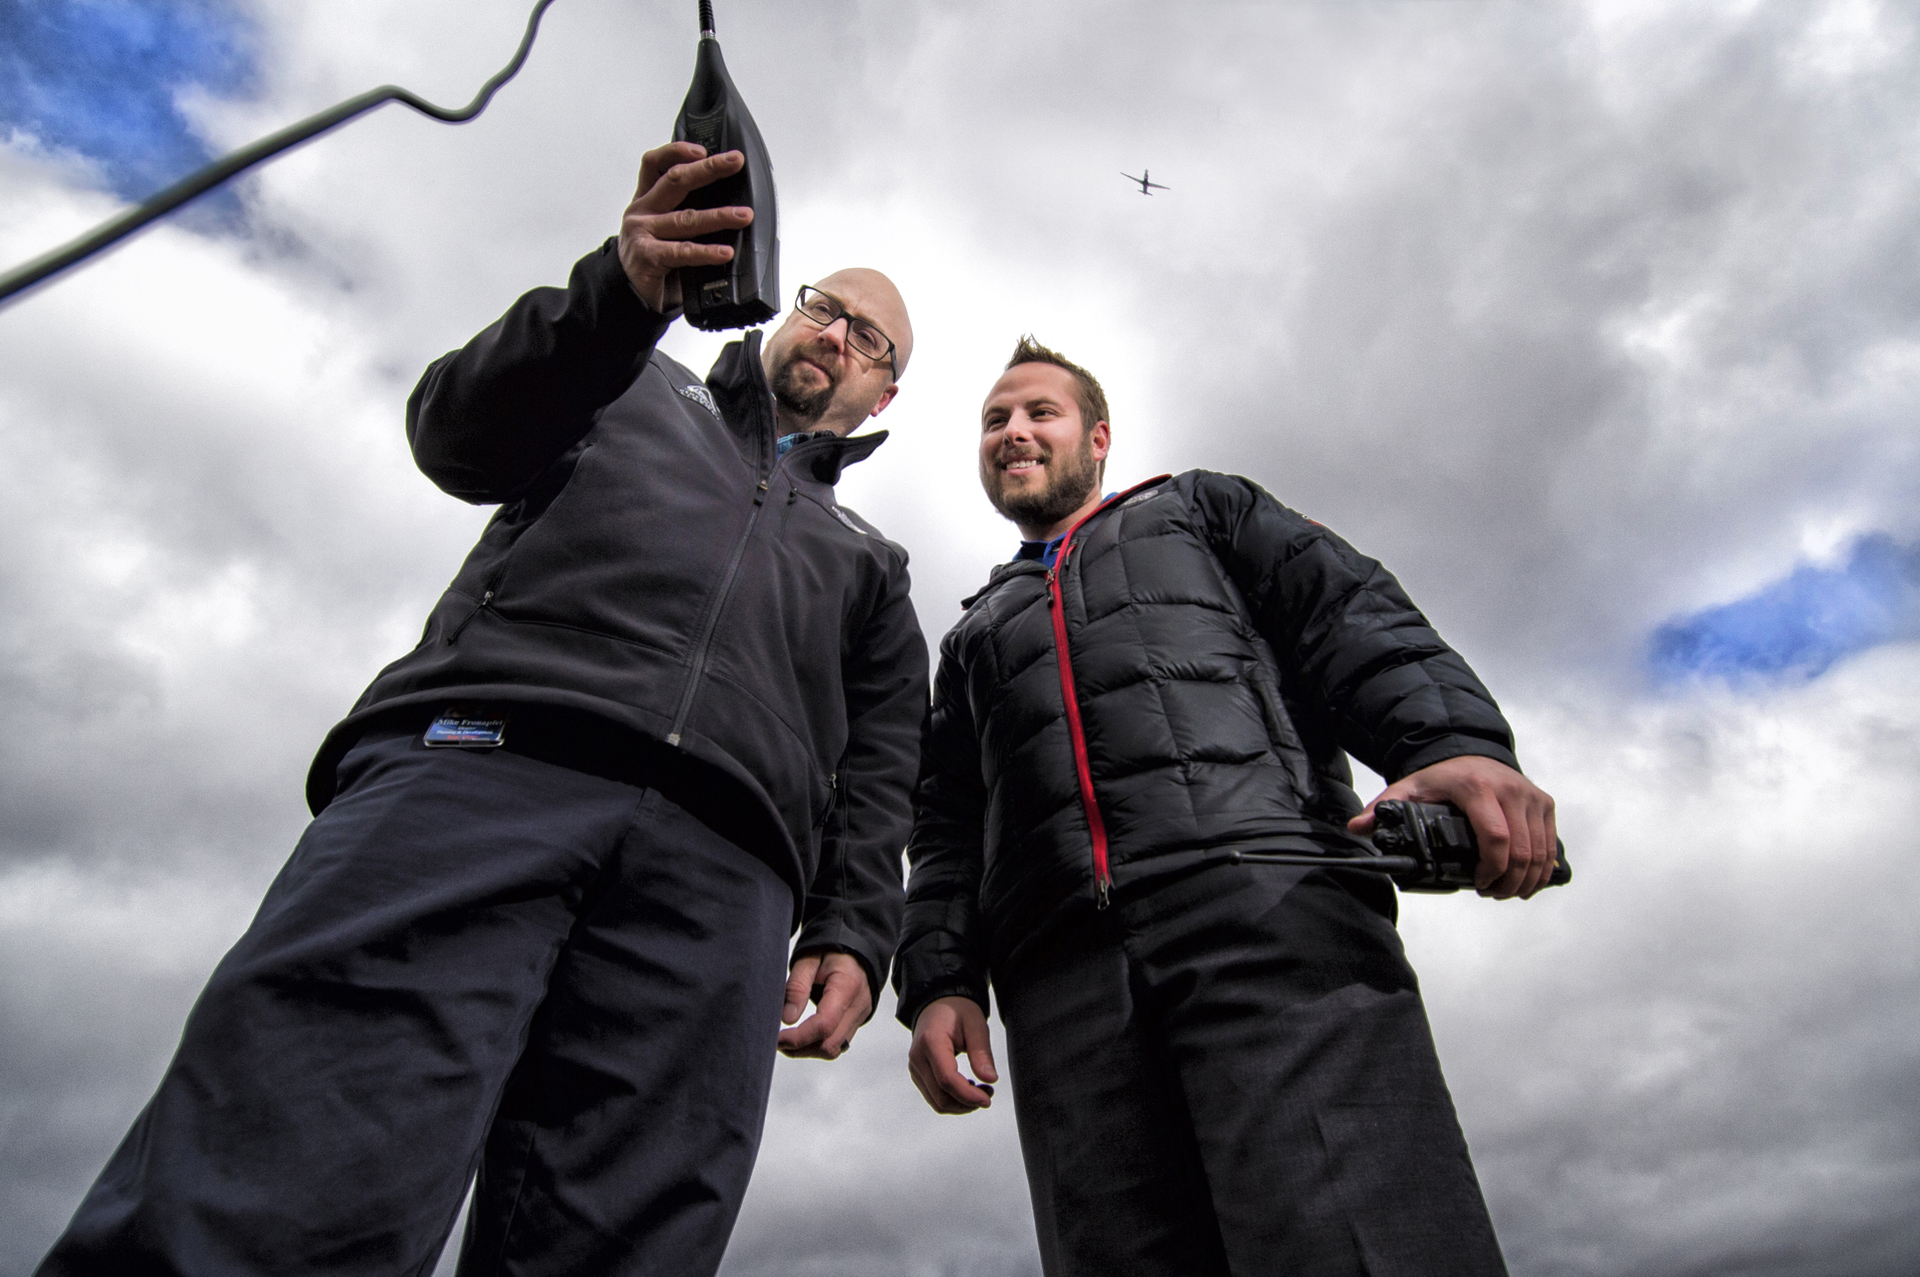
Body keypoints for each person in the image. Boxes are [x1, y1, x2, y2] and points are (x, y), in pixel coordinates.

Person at [38, 142, 928, 1277]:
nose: (836, 334)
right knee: (290, 1167)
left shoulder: (875, 563)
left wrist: (855, 926)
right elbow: (455, 432)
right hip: (485, 765)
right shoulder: (621, 369)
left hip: (727, 876)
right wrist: (620, 290)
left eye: (870, 338)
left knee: (624, 1236)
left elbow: (886, 766)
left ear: (885, 392)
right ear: (782, 310)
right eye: (824, 305)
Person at [897, 337, 1558, 1277]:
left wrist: (1451, 746)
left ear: (1098, 436)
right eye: (995, 420)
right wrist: (940, 977)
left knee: (1358, 1236)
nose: (1014, 431)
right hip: (1060, 979)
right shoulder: (970, 636)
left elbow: (1349, 614)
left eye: (1039, 412)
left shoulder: (1202, 508)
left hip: (1270, 913)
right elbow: (948, 826)